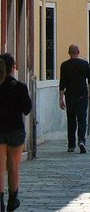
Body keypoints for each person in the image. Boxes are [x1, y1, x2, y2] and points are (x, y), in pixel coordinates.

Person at [0, 53, 30, 212]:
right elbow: (27, 109)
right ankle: (12, 199)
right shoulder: (19, 87)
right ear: (13, 67)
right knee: (13, 167)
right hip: (15, 131)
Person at [58, 44, 90, 154]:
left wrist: (61, 99)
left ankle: (71, 144)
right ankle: (82, 141)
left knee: (71, 121)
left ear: (69, 53)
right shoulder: (84, 64)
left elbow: (62, 83)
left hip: (70, 96)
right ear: (78, 51)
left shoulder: (64, 65)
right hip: (82, 95)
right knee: (82, 120)